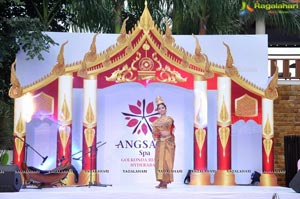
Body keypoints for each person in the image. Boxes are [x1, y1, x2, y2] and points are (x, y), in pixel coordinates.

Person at [151, 96, 175, 189]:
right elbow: (155, 132)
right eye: (159, 108)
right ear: (157, 110)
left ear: (165, 108)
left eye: (162, 108)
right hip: (160, 144)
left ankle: (165, 182)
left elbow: (168, 131)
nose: (161, 109)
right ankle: (161, 181)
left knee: (166, 162)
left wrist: (159, 130)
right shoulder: (156, 121)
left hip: (168, 143)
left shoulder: (169, 119)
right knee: (158, 162)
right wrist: (157, 133)